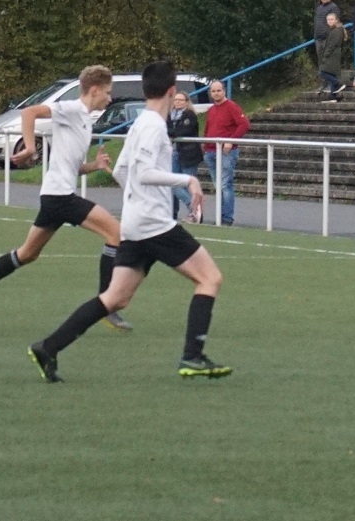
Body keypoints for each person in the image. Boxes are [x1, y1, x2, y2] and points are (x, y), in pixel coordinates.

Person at [27, 60, 232, 383]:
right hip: (154, 224)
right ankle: (193, 356)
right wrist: (187, 180)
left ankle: (48, 347)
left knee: (115, 298)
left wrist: (137, 199)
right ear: (171, 91)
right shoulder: (153, 126)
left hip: (136, 223)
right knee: (210, 278)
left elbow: (123, 170)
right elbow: (144, 172)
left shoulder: (139, 124)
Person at [0, 65, 131, 332]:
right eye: (107, 92)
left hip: (54, 196)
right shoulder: (73, 109)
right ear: (94, 90)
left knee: (27, 254)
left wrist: (94, 165)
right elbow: (30, 112)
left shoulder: (84, 120)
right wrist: (29, 146)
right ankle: (107, 305)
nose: (110, 97)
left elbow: (72, 167)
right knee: (116, 233)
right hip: (60, 197)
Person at [202, 80, 249, 226]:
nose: (216, 94)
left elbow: (244, 125)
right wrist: (205, 144)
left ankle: (227, 218)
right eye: (213, 91)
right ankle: (220, 216)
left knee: (225, 185)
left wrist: (231, 141)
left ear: (224, 91)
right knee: (218, 186)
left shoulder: (232, 107)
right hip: (210, 151)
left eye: (219, 91)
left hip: (226, 152)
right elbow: (208, 128)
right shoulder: (211, 110)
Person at [168, 92, 204, 222]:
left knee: (188, 185)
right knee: (172, 183)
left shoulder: (190, 115)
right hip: (175, 153)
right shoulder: (170, 115)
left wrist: (171, 133)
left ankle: (194, 210)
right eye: (175, 100)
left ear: (186, 102)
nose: (177, 102)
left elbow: (183, 131)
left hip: (189, 154)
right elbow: (166, 129)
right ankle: (173, 214)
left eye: (180, 100)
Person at [318, 13, 348, 103]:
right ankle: (333, 96)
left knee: (322, 72)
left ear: (336, 20)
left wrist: (326, 54)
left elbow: (332, 45)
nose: (330, 21)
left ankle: (338, 83)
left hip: (332, 55)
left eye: (332, 19)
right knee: (332, 73)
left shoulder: (336, 31)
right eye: (328, 20)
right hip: (333, 55)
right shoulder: (335, 30)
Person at [314, 0, 340, 85]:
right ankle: (324, 83)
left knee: (329, 62)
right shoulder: (319, 8)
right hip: (318, 38)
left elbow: (334, 23)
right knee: (321, 63)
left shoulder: (333, 7)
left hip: (328, 38)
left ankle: (333, 83)